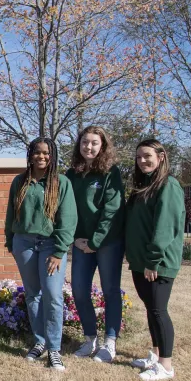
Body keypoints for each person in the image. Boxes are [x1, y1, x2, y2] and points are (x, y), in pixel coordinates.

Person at [5, 137, 77, 371]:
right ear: (30, 155)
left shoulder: (61, 183)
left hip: (50, 245)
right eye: (37, 152)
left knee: (53, 296)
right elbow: (10, 214)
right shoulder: (20, 182)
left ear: (52, 155)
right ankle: (40, 342)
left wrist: (59, 250)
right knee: (33, 295)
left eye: (47, 153)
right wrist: (11, 242)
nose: (42, 157)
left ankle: (54, 349)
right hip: (23, 243)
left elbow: (68, 220)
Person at [126, 139, 184, 381]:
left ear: (161, 156)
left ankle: (166, 366)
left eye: (147, 156)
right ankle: (156, 355)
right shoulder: (145, 186)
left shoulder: (168, 186)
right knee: (151, 309)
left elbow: (165, 228)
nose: (142, 161)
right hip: (141, 262)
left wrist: (153, 261)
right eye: (139, 157)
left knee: (159, 310)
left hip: (157, 263)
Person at [66, 126, 125, 363]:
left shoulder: (111, 172)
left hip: (107, 241)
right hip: (81, 243)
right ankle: (90, 339)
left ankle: (110, 343)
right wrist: (73, 239)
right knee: (79, 290)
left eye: (94, 143)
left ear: (102, 146)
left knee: (110, 290)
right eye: (84, 142)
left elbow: (113, 209)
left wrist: (96, 241)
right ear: (79, 145)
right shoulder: (72, 174)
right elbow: (65, 209)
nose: (88, 147)